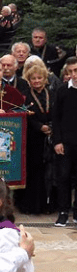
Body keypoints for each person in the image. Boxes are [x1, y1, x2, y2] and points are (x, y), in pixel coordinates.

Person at [16, 62, 54, 215]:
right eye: (34, 79)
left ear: (45, 79)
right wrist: (39, 127)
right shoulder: (24, 95)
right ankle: (31, 206)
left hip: (50, 137)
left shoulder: (52, 93)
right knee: (33, 172)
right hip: (32, 138)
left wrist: (51, 127)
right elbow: (24, 116)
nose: (37, 81)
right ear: (29, 80)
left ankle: (48, 205)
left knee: (49, 173)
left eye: (40, 78)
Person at [52, 57, 77, 227]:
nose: (74, 74)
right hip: (65, 143)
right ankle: (63, 212)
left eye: (76, 70)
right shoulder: (62, 91)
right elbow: (56, 118)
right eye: (71, 72)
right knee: (63, 176)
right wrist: (57, 141)